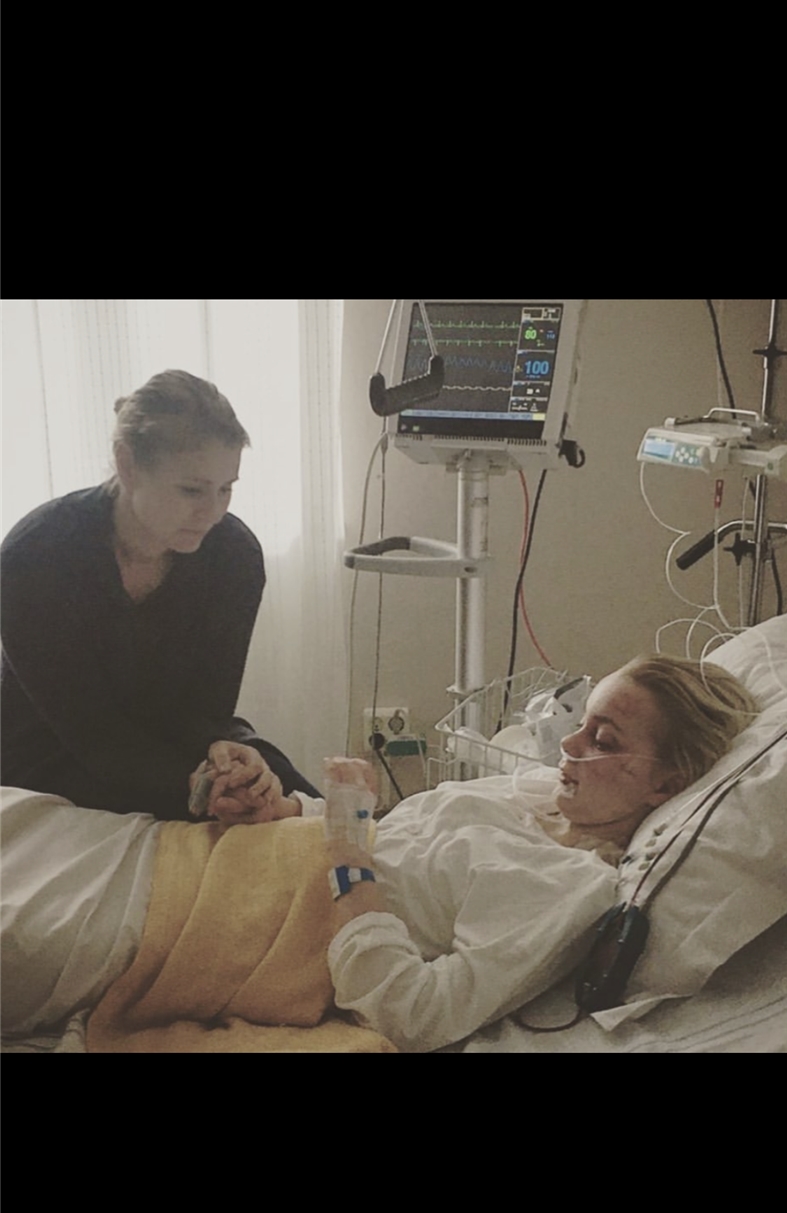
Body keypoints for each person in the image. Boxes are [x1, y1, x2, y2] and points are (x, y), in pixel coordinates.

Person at [0, 654, 759, 1052]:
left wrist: (346, 855)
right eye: (582, 722)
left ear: (668, 784)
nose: (567, 745)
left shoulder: (568, 890)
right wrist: (285, 807)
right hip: (181, 851)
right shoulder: (527, 794)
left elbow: (416, 1014)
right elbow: (387, 846)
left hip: (180, 931)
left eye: (603, 740)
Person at [0, 369, 319, 823]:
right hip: (52, 751)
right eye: (192, 490)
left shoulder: (234, 556)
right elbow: (91, 734)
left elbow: (207, 712)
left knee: (294, 799)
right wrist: (194, 786)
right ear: (127, 465)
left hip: (176, 737)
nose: (212, 512)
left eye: (226, 489)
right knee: (233, 808)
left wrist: (230, 757)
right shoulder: (34, 557)